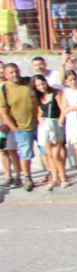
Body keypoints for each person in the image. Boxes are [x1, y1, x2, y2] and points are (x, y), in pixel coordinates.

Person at [0, 63, 39, 191]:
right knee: (22, 153)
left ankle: (53, 175)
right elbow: (4, 112)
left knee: (47, 151)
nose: (15, 74)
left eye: (16, 71)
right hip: (20, 128)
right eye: (11, 72)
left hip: (38, 124)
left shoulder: (28, 82)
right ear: (6, 75)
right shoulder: (4, 89)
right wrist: (14, 128)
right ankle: (26, 177)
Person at [34, 74, 68, 190]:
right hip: (44, 126)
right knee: (48, 155)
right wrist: (40, 120)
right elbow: (39, 112)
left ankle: (63, 178)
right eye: (38, 85)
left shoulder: (55, 93)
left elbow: (62, 109)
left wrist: (61, 121)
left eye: (42, 83)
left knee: (56, 154)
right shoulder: (39, 97)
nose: (41, 87)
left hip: (55, 123)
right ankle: (54, 178)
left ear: (46, 82)